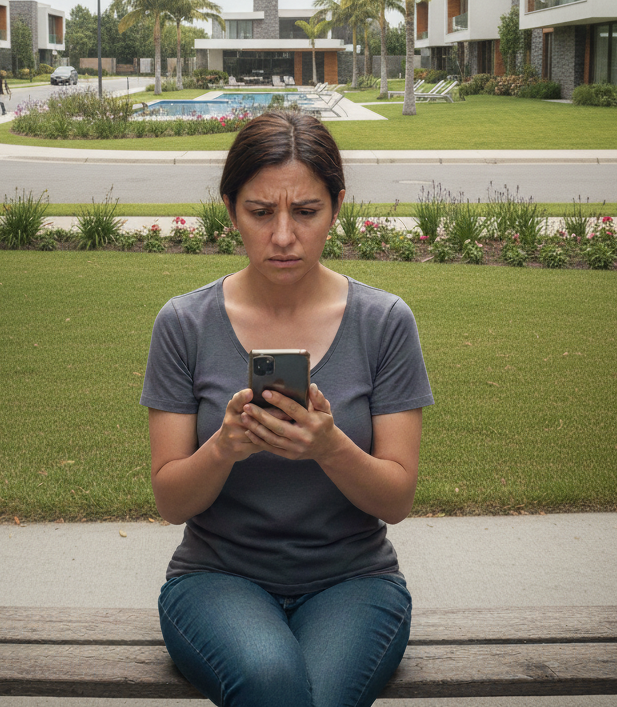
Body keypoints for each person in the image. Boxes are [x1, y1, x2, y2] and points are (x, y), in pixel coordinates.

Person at [140, 110, 434, 707]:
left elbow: (396, 500)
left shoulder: (383, 323)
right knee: (271, 681)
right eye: (260, 212)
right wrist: (224, 447)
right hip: (215, 579)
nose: (282, 235)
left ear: (336, 207)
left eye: (305, 211)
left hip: (354, 582)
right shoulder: (184, 324)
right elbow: (172, 502)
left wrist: (329, 447)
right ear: (229, 209)